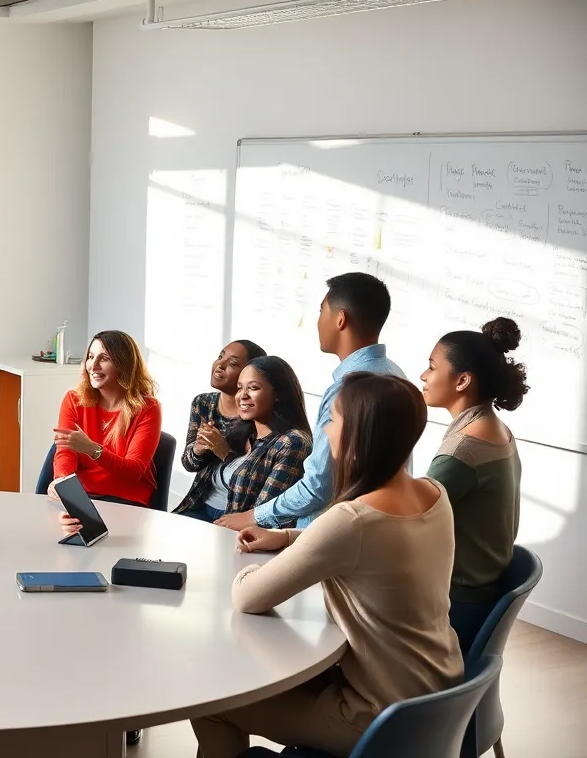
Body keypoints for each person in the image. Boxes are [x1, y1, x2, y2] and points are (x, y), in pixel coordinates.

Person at [190, 373, 462, 758]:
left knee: (211, 702)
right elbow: (376, 547)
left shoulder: (352, 520)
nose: (324, 432)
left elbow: (247, 596)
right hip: (437, 695)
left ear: (358, 436)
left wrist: (255, 567)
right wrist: (286, 538)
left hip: (375, 716)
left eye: (331, 421)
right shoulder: (434, 494)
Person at [219, 272, 405, 531]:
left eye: (321, 311)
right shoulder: (395, 374)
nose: (318, 321)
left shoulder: (346, 388)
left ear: (340, 319)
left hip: (329, 534)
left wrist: (253, 516)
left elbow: (319, 486)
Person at [421, 317, 528, 653]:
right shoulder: (497, 429)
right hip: (480, 594)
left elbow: (403, 518)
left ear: (462, 380)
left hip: (458, 605)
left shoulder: (464, 450)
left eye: (431, 366)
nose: (423, 376)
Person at [172, 356, 311, 525]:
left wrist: (225, 455)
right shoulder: (241, 430)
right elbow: (190, 464)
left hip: (237, 533)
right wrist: (201, 447)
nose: (242, 396)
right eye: (239, 388)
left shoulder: (291, 443)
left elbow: (263, 515)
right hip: (200, 510)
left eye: (253, 388)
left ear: (279, 394)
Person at [49, 330, 161, 506]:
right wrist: (61, 482)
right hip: (83, 495)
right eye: (91, 357)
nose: (93, 366)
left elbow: (133, 472)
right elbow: (65, 452)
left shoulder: (148, 408)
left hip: (126, 500)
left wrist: (92, 449)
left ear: (124, 364)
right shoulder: (73, 399)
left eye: (104, 359)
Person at [181, 339, 267, 480]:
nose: (220, 365)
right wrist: (198, 448)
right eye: (220, 357)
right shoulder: (203, 403)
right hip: (200, 497)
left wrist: (223, 449)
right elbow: (189, 465)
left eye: (232, 364)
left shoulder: (256, 416)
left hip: (235, 499)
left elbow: (251, 481)